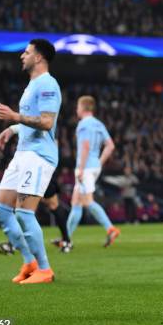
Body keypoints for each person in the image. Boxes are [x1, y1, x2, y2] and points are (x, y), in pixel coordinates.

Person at [0, 39, 61, 284]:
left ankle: (45, 269)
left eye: (27, 52)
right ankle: (29, 261)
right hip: (23, 153)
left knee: (23, 212)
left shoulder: (47, 84)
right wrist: (13, 128)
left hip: (39, 156)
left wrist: (15, 116)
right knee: (1, 209)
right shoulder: (32, 84)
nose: (22, 56)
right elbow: (30, 121)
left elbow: (46, 122)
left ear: (39, 57)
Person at [66, 96, 119, 247]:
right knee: (75, 201)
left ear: (82, 108)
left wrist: (81, 168)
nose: (76, 109)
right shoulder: (99, 124)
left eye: (77, 106)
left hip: (86, 167)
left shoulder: (83, 125)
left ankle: (111, 229)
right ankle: (67, 238)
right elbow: (110, 146)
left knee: (88, 201)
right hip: (94, 166)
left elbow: (86, 147)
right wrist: (100, 162)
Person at [0, 172, 73, 254]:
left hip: (35, 172)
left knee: (24, 209)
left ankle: (13, 244)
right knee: (53, 205)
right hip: (40, 172)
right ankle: (66, 241)